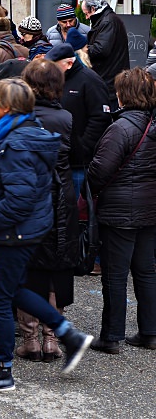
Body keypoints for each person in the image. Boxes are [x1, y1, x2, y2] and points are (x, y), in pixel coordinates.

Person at [0, 78, 93, 394]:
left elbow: (19, 198)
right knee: (13, 290)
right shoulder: (20, 133)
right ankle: (69, 334)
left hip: (14, 233)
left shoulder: (16, 142)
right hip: (25, 230)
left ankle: (2, 371)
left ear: (7, 107)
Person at [13, 60, 80, 361]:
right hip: (61, 195)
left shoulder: (20, 117)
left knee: (28, 267)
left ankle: (30, 338)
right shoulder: (65, 116)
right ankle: (52, 338)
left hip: (29, 195)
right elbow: (78, 153)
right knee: (57, 266)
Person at [86, 68, 156, 354]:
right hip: (150, 208)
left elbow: (99, 170)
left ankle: (112, 335)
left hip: (118, 210)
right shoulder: (152, 124)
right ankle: (150, 332)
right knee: (146, 270)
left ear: (124, 95)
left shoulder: (121, 128)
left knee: (115, 274)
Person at [49, 42, 111, 199]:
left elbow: (100, 118)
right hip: (61, 159)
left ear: (69, 63)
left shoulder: (90, 81)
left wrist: (82, 148)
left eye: (54, 66)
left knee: (77, 209)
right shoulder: (57, 80)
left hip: (79, 163)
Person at [82, 0, 130, 108]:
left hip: (108, 78)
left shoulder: (107, 22)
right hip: (110, 77)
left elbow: (101, 49)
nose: (87, 17)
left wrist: (85, 49)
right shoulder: (107, 19)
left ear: (93, 9)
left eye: (86, 13)